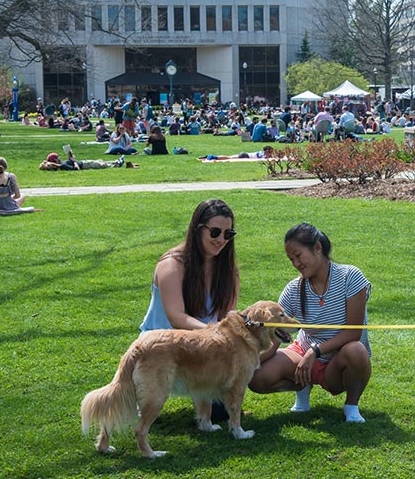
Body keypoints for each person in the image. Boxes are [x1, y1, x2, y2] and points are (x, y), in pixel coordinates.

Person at [248, 223, 372, 424]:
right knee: (257, 377)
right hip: (302, 355)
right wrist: (244, 362)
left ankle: (351, 405)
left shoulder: (351, 277)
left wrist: (314, 352)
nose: (296, 263)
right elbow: (274, 338)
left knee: (356, 350)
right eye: (291, 259)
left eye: (298, 255)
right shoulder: (293, 289)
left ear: (317, 248)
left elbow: (353, 333)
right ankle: (302, 385)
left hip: (337, 361)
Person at [138, 199, 240, 422]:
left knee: (222, 413)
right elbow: (176, 317)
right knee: (149, 404)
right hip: (163, 346)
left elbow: (228, 315)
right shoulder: (171, 265)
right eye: (214, 232)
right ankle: (140, 391)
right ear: (198, 229)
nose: (221, 240)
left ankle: (204, 395)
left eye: (228, 234)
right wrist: (213, 332)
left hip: (203, 347)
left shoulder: (228, 270)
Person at [38, 149, 125, 170]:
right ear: (54, 160)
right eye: (57, 158)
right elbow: (76, 169)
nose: (59, 158)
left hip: (83, 162)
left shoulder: (62, 163)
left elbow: (71, 162)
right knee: (100, 164)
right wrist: (73, 161)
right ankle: (117, 164)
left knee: (100, 161)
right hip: (83, 165)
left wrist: (70, 155)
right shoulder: (63, 165)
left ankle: (116, 161)